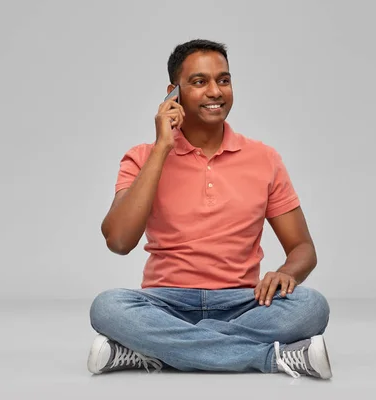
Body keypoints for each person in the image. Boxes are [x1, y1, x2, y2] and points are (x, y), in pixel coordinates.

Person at [87, 39, 332, 379]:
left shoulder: (265, 159)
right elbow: (118, 240)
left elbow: (303, 248)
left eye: (224, 80)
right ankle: (272, 359)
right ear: (174, 93)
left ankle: (152, 351)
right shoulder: (142, 157)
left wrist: (287, 274)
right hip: (164, 304)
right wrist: (162, 147)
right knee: (108, 307)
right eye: (200, 82)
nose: (216, 91)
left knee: (312, 307)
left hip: (243, 304)